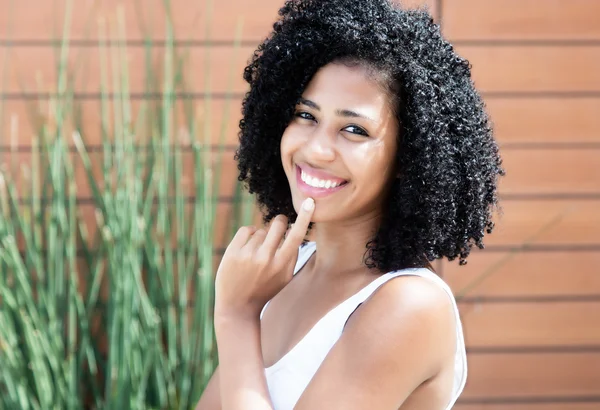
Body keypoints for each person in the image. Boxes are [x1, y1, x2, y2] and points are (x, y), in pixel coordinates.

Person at [196, 0, 504, 408]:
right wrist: (243, 309)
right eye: (305, 115)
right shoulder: (283, 276)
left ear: (407, 158)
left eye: (354, 129)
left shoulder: (408, 304)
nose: (317, 148)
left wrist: (235, 317)